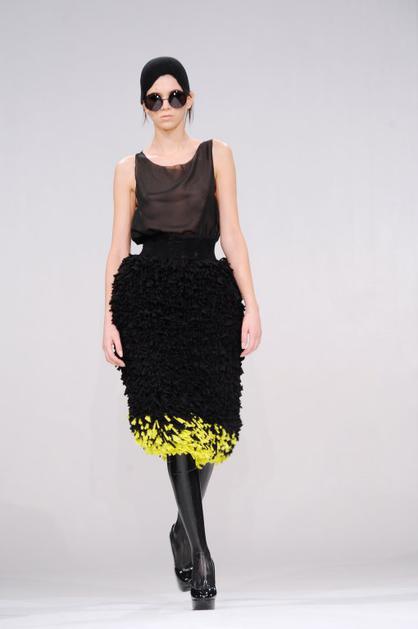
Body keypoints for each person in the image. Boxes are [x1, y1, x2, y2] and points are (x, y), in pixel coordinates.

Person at [102, 56, 262, 610]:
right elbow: (117, 247)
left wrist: (251, 303)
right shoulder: (127, 168)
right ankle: (204, 557)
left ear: (190, 99)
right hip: (149, 300)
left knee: (212, 426)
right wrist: (108, 317)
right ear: (142, 105)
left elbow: (232, 233)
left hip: (208, 295)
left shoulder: (218, 154)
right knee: (171, 427)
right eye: (154, 98)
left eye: (174, 96)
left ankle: (180, 529)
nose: (165, 106)